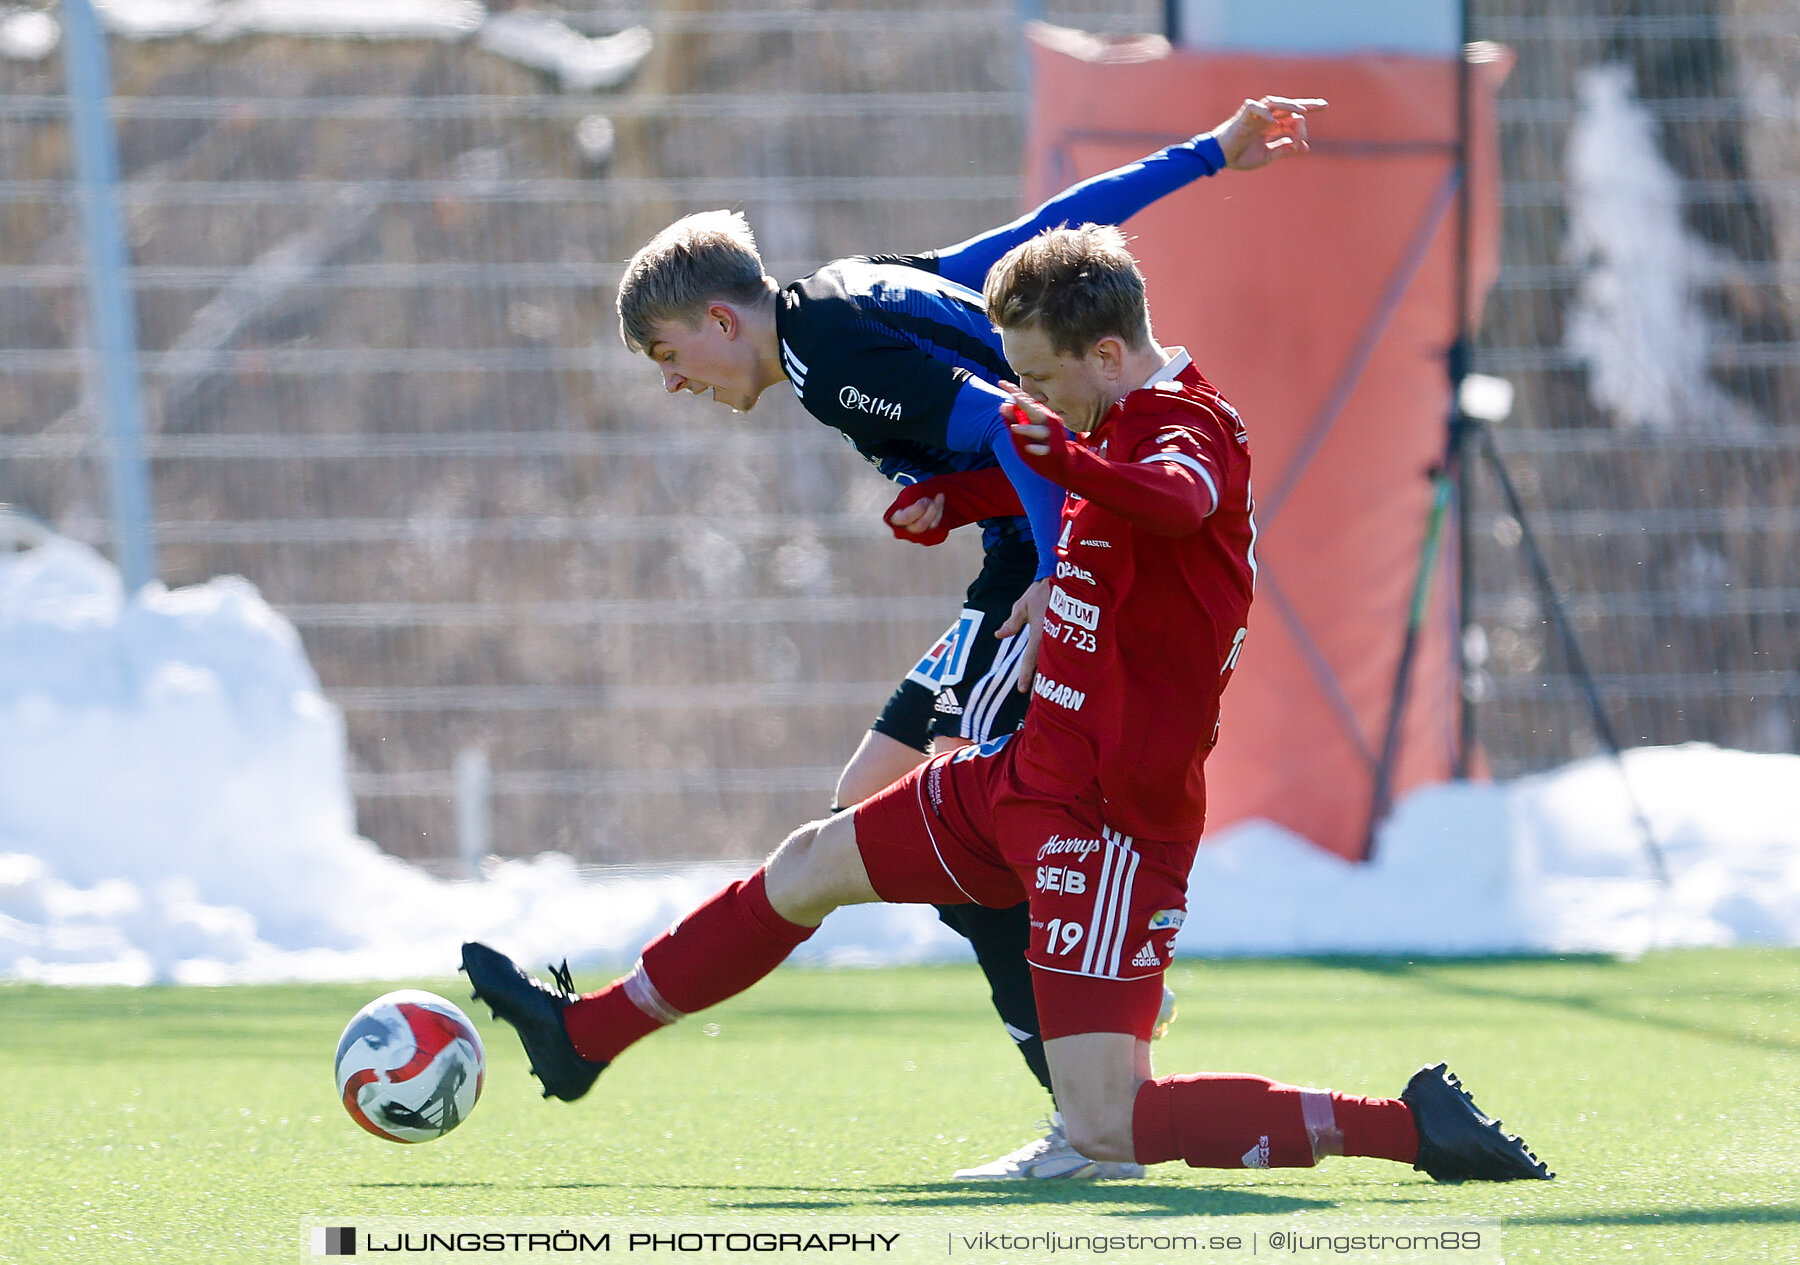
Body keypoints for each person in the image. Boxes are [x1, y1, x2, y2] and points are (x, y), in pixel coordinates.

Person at [465, 226, 1553, 1186]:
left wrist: (1042, 450)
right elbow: (1078, 470)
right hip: (1020, 778)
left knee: (1111, 1122)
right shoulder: (1106, 417)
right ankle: (587, 1035)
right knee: (811, 860)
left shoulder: (1187, 428)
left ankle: (1412, 1128)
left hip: (1107, 821)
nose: (1021, 398)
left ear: (1108, 356)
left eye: (1036, 378)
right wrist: (966, 492)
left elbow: (1175, 499)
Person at [612, 96, 1326, 1178]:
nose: (676, 383)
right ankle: (1091, 1033)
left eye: (669, 355)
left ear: (719, 322)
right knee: (875, 801)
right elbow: (1049, 232)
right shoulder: (858, 281)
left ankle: (1096, 1062)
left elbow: (1006, 422)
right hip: (1016, 557)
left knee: (983, 799)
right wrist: (1210, 154)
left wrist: (1059, 565)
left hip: (1029, 565)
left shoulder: (823, 354)